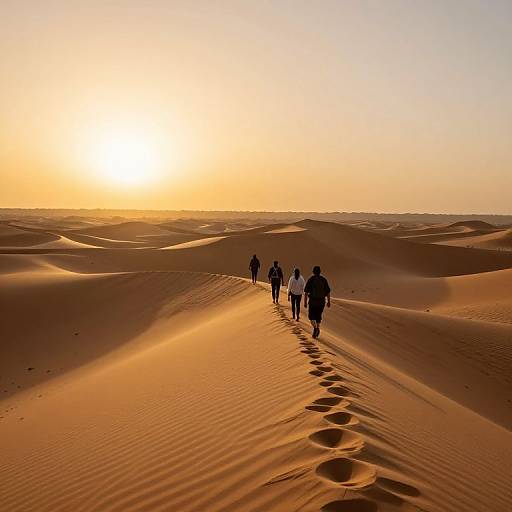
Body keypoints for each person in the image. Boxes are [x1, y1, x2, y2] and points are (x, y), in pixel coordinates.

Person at [304, 265, 331, 338]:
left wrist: (305, 302)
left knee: (311, 316)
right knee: (318, 316)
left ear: (313, 272)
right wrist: (328, 301)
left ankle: (315, 328)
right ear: (320, 272)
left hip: (313, 302)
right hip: (321, 302)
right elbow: (328, 292)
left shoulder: (311, 279)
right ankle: (318, 328)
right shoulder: (323, 280)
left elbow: (306, 292)